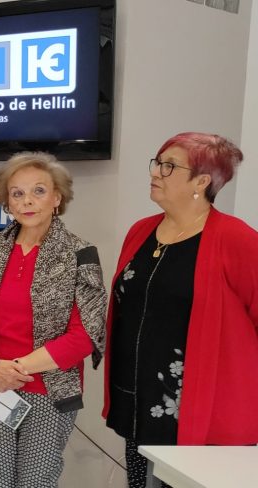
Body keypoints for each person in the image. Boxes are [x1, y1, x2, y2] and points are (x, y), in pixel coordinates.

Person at [103, 133, 258, 487]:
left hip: (204, 409)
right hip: (139, 401)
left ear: (202, 182)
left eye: (169, 166)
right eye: (157, 162)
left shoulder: (237, 240)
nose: (155, 172)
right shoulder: (141, 231)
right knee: (140, 482)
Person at [0, 151, 106, 488]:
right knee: (1, 480)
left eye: (38, 191)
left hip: (48, 390)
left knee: (35, 482)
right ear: (7, 201)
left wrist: (13, 369)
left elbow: (85, 333)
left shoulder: (79, 254)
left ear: (57, 198)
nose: (27, 201)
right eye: (17, 193)